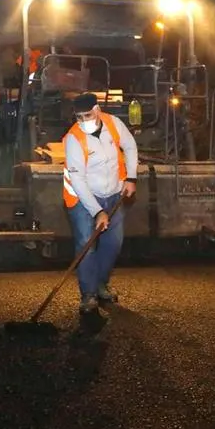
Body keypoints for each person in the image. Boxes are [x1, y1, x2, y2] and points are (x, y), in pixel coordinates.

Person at [63, 92, 138, 313]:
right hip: (82, 197)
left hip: (114, 194)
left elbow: (131, 147)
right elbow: (78, 179)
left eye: (87, 115)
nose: (82, 121)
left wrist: (131, 178)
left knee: (113, 243)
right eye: (78, 117)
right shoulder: (74, 139)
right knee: (87, 244)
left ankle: (101, 284)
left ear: (97, 111)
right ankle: (88, 295)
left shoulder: (114, 124)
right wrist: (97, 211)